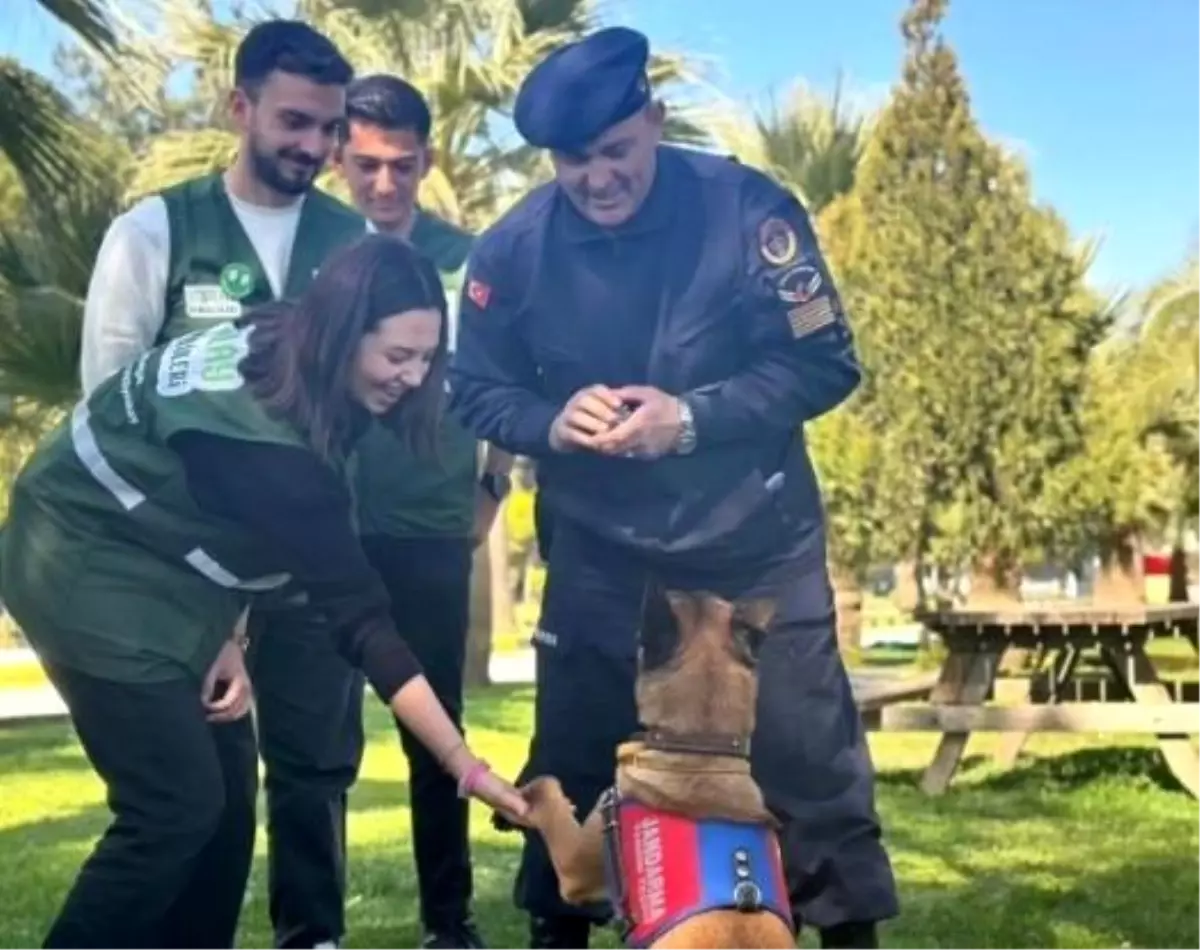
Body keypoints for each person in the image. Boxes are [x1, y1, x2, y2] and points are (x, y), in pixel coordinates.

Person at [448, 26, 899, 950]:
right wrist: (548, 420)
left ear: (654, 121)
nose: (597, 177)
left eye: (616, 151)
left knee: (808, 764)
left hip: (755, 538)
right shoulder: (512, 252)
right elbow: (474, 387)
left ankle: (849, 935)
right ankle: (556, 934)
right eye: (574, 162)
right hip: (601, 549)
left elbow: (824, 362)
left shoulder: (748, 214)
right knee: (573, 759)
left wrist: (689, 419)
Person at [0, 234, 529, 950]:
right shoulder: (273, 453)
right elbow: (366, 626)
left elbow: (219, 513)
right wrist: (465, 766)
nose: (414, 377)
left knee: (224, 809)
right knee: (173, 807)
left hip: (156, 554)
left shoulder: (286, 333)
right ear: (342, 335)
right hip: (77, 559)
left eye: (427, 357)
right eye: (397, 356)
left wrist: (230, 631)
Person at [77, 20, 375, 948]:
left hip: (310, 562)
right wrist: (211, 613)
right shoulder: (153, 232)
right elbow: (107, 419)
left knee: (318, 769)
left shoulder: (353, 241)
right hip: (186, 574)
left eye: (330, 129)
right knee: (203, 803)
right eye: (294, 121)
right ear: (239, 107)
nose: (315, 148)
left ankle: (312, 938)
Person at [333, 73, 513, 950]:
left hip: (432, 531)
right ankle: (311, 927)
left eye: (401, 167)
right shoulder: (316, 253)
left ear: (426, 161)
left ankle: (450, 923)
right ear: (338, 157)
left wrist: (492, 488)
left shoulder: (473, 259)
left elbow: (512, 381)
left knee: (434, 728)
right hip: (323, 528)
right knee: (316, 740)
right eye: (365, 165)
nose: (383, 186)